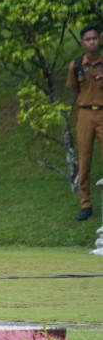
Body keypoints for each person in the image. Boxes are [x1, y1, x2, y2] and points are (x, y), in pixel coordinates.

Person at [66, 24, 103, 221]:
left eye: (95, 38)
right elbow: (75, 91)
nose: (92, 42)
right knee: (85, 159)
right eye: (88, 39)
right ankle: (86, 203)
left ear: (100, 40)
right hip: (85, 114)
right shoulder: (77, 65)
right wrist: (85, 103)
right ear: (82, 42)